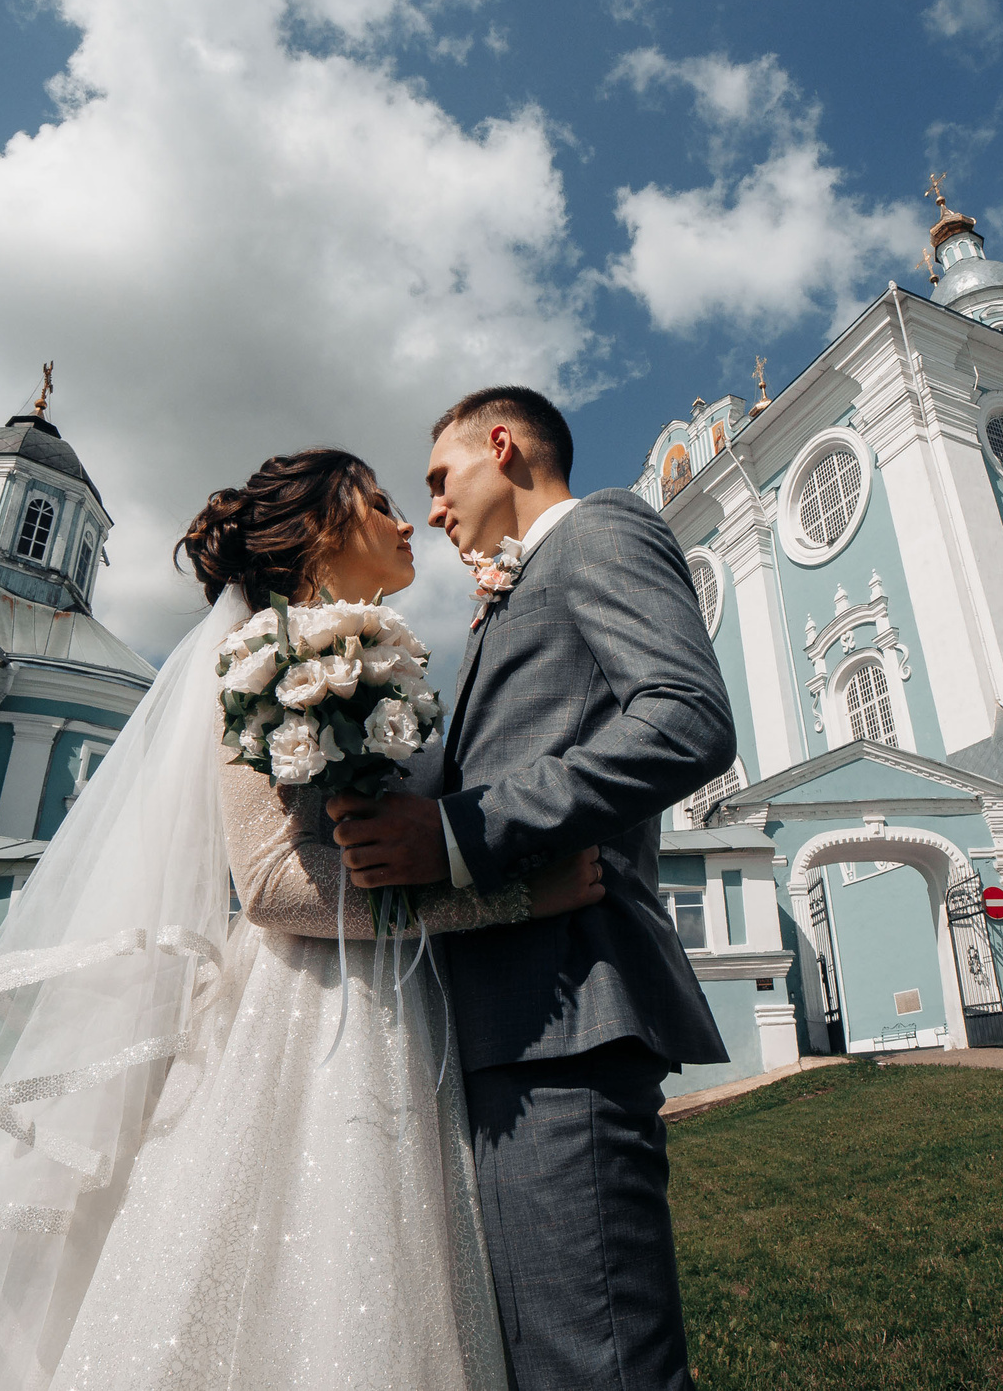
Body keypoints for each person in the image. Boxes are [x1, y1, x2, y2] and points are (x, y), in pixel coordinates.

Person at [0, 447, 604, 1391]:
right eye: (377, 500)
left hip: (390, 997)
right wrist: (510, 899)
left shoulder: (372, 651)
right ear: (324, 525)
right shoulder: (259, 653)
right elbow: (275, 887)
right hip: (298, 1017)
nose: (407, 519)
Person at [330, 386, 737, 1391]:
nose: (430, 508)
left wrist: (461, 832)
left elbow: (685, 717)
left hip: (570, 1010)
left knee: (591, 1362)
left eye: (438, 478)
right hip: (501, 1021)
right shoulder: (509, 593)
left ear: (501, 445)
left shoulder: (603, 529)